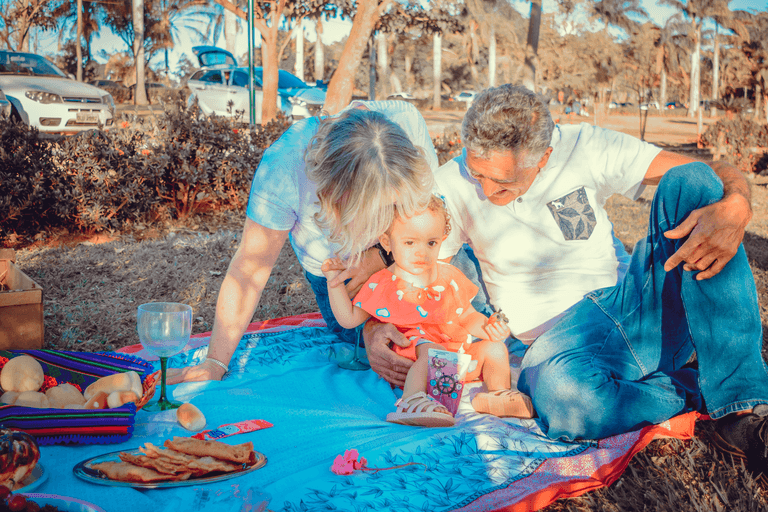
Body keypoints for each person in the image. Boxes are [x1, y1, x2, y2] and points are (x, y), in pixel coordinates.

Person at [364, 84, 768, 484]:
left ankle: (745, 409)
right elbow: (405, 265)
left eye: (502, 181)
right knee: (564, 401)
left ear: (544, 156)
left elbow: (715, 173)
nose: (486, 190)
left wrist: (737, 203)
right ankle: (697, 388)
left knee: (692, 181)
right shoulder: (451, 183)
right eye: (477, 173)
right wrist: (373, 326)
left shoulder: (583, 146)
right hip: (559, 346)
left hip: (632, 307)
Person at [167, 101, 438, 384]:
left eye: (390, 205)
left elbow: (438, 224)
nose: (380, 220)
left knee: (449, 334)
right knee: (397, 353)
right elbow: (250, 269)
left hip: (410, 258)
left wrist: (380, 257)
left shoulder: (406, 121)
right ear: (333, 194)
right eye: (372, 210)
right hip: (342, 282)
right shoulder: (284, 168)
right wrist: (215, 362)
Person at [321, 195, 530, 427]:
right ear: (387, 242)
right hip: (414, 361)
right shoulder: (382, 283)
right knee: (432, 350)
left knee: (494, 348)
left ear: (442, 240)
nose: (421, 252)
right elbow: (348, 319)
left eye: (431, 243)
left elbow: (467, 315)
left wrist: (488, 327)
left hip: (453, 363)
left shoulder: (449, 276)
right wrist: (333, 282)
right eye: (410, 243)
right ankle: (411, 400)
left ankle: (498, 394)